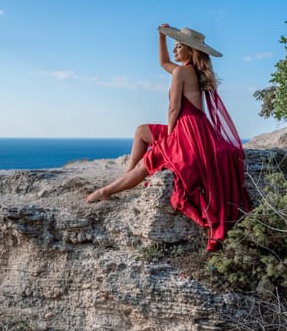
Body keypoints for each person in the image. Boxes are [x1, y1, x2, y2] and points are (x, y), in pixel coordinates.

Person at [85, 24, 249, 251]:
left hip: (185, 130)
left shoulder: (182, 72)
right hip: (196, 126)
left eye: (179, 46)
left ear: (190, 51)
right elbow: (163, 63)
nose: (175, 50)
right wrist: (161, 37)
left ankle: (106, 191)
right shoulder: (189, 70)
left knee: (151, 159)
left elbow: (174, 109)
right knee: (142, 131)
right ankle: (127, 177)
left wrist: (170, 137)